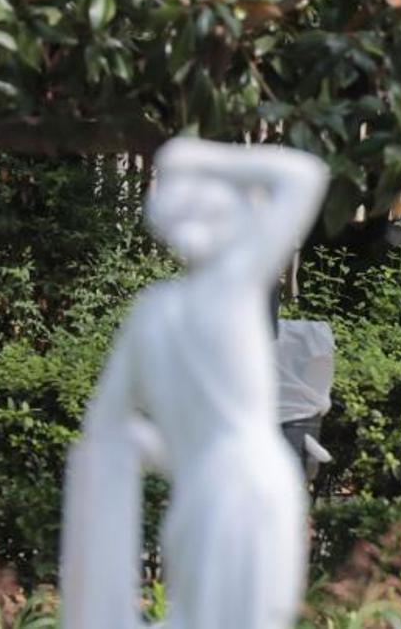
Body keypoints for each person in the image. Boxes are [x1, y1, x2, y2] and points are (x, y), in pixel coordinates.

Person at [59, 138, 328, 629]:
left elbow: (105, 429)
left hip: (198, 494)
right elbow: (304, 175)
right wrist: (201, 157)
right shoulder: (234, 285)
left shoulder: (151, 313)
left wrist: (151, 449)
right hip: (250, 489)